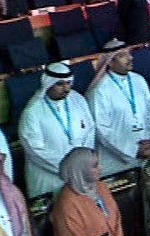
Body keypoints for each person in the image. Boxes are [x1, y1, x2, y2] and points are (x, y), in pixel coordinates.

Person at [20, 61, 97, 198]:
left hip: (80, 171)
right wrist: (70, 167)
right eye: (60, 84)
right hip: (49, 177)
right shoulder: (32, 111)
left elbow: (89, 130)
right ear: (48, 83)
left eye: (68, 83)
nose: (66, 88)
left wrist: (83, 162)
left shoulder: (78, 100)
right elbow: (35, 150)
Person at [89, 41, 150, 176]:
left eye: (129, 53)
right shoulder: (100, 91)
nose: (130, 58)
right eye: (123, 55)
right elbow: (102, 130)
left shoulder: (139, 80)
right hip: (117, 162)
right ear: (110, 62)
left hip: (148, 152)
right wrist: (133, 149)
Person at [50, 147, 124, 236]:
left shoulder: (101, 187)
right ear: (80, 170)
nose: (100, 167)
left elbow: (116, 222)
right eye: (95, 166)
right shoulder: (66, 203)